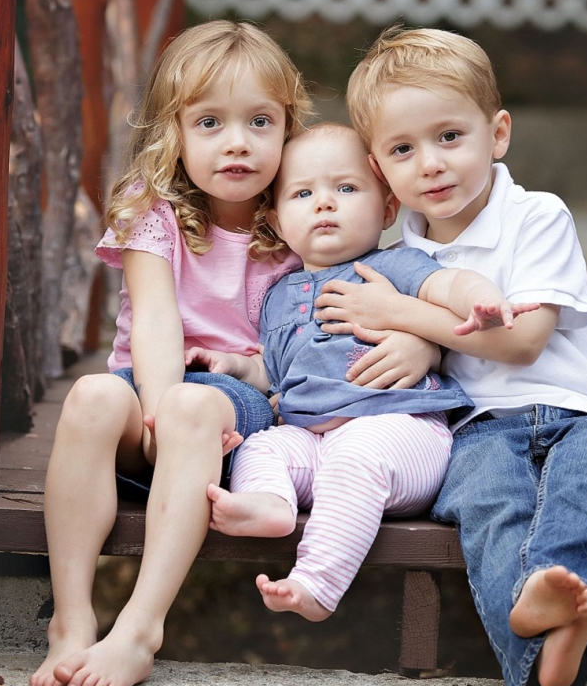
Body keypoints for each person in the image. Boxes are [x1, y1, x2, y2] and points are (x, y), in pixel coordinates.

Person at [313, 25, 587, 686]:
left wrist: (405, 316)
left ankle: (557, 603)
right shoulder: (400, 251)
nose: (430, 164)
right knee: (490, 507)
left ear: (496, 134)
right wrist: (412, 337)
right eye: (403, 149)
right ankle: (555, 639)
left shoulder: (537, 217)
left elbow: (524, 340)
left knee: (586, 489)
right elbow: (428, 344)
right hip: (474, 424)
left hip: (574, 407)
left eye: (449, 137)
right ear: (379, 168)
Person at [28, 19, 317, 686]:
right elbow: (155, 317)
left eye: (260, 122)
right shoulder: (150, 209)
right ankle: (71, 619)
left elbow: (309, 340)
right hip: (151, 388)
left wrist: (212, 392)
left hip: (234, 400)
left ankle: (139, 626)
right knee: (93, 397)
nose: (238, 142)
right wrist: (153, 409)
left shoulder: (299, 217)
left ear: (287, 129)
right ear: (174, 130)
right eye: (210, 122)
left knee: (190, 404)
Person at [207, 122, 537, 621]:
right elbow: (273, 374)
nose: (324, 203)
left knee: (358, 452)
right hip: (315, 443)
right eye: (302, 193)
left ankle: (317, 585)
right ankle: (270, 503)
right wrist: (235, 366)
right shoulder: (276, 296)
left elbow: (448, 284)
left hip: (402, 434)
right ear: (274, 221)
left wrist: (480, 298)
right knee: (261, 446)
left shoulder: (392, 266)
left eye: (346, 188)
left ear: (387, 209)